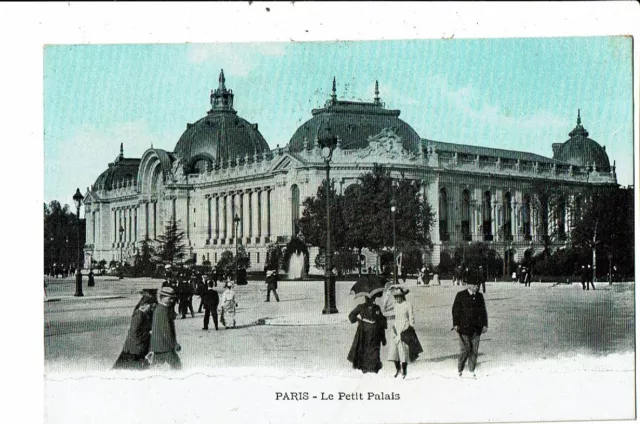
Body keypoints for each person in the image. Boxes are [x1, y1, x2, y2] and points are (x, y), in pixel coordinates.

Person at [452, 274, 488, 378]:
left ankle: (472, 370)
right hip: (463, 328)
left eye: (478, 285)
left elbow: (483, 311)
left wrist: (485, 324)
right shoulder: (460, 295)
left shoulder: (480, 296)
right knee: (465, 350)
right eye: (475, 285)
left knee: (474, 351)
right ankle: (460, 369)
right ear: (469, 285)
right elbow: (455, 311)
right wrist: (455, 324)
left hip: (476, 328)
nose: (477, 287)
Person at [114, 290, 157, 370]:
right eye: (151, 306)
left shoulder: (146, 315)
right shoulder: (139, 315)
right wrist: (149, 336)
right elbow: (134, 333)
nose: (152, 308)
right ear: (145, 305)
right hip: (132, 351)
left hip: (139, 350)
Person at [347, 292, 388, 374]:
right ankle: (365, 367)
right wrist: (358, 319)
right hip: (364, 334)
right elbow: (351, 317)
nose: (371, 300)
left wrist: (383, 337)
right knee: (364, 350)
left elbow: (381, 321)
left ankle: (374, 367)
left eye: (373, 298)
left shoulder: (377, 308)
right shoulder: (361, 307)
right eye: (369, 299)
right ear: (366, 299)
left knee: (374, 351)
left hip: (375, 335)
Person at [387, 286, 422, 378]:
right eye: (396, 296)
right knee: (394, 351)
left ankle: (404, 371)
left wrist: (410, 327)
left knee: (403, 351)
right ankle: (398, 369)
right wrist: (388, 293)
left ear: (402, 296)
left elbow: (411, 316)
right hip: (395, 329)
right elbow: (385, 307)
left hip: (404, 329)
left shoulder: (407, 304)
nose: (397, 298)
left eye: (399, 296)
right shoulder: (394, 304)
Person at [149, 286, 182, 370]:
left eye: (172, 299)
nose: (172, 301)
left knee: (156, 367)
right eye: (170, 298)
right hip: (165, 346)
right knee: (177, 366)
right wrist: (174, 344)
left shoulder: (161, 308)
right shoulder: (162, 311)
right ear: (162, 297)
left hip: (157, 346)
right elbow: (166, 331)